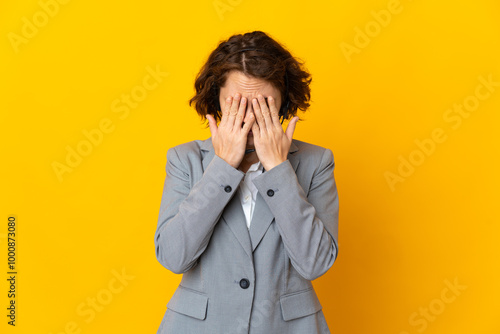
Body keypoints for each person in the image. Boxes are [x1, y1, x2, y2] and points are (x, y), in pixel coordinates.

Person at [154, 30, 339, 334]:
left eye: (263, 106)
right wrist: (222, 168)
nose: (249, 119)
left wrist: (279, 169)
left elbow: (315, 263)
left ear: (283, 105)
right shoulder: (184, 159)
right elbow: (174, 257)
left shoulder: (316, 162)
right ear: (216, 102)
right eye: (236, 105)